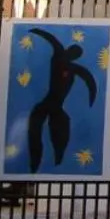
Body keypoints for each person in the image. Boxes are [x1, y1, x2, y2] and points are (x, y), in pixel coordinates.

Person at [25, 28, 99, 174]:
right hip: (48, 103)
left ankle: (57, 160)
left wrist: (92, 96)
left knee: (60, 133)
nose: (72, 55)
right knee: (36, 131)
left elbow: (90, 81)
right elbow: (52, 38)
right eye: (73, 52)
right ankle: (35, 163)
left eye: (75, 55)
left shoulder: (74, 67)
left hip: (56, 106)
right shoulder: (59, 56)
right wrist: (35, 31)